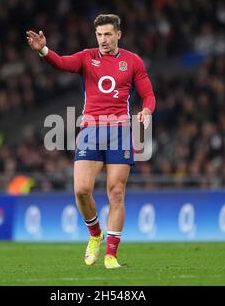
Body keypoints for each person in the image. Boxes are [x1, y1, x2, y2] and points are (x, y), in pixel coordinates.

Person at [26, 14, 156, 269]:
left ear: (119, 34)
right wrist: (43, 50)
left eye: (108, 34)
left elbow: (149, 94)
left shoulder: (132, 62)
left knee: (116, 193)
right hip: (91, 130)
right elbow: (61, 63)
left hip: (119, 131)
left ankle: (111, 255)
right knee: (81, 190)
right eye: (99, 35)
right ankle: (95, 233)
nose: (103, 40)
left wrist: (147, 111)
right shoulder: (87, 57)